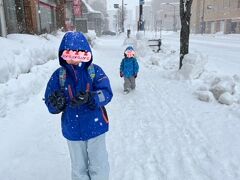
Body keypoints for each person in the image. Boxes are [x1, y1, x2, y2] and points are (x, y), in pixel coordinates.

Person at [44, 31, 113, 180]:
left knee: (99, 165)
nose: (74, 58)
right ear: (63, 54)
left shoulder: (95, 72)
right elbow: (50, 101)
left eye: (79, 53)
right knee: (78, 168)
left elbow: (107, 92)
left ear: (86, 53)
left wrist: (92, 97)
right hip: (72, 130)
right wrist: (57, 103)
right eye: (69, 53)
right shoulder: (59, 76)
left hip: (96, 127)